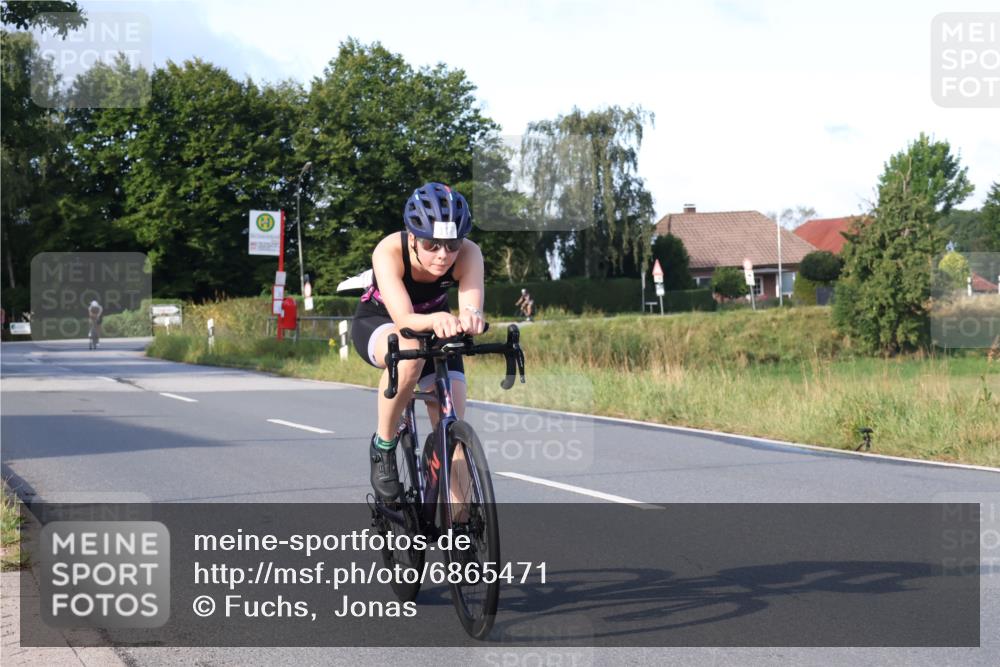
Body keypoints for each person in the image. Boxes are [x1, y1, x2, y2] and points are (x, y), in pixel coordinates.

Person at [351, 182, 485, 502]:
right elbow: (405, 321)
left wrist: (472, 318)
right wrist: (439, 319)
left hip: (439, 327)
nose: (443, 255)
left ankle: (463, 532)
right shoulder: (389, 250)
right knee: (409, 353)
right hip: (381, 322)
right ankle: (383, 446)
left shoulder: (470, 254)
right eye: (431, 244)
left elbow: (471, 307)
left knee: (451, 423)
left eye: (452, 245)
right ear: (412, 237)